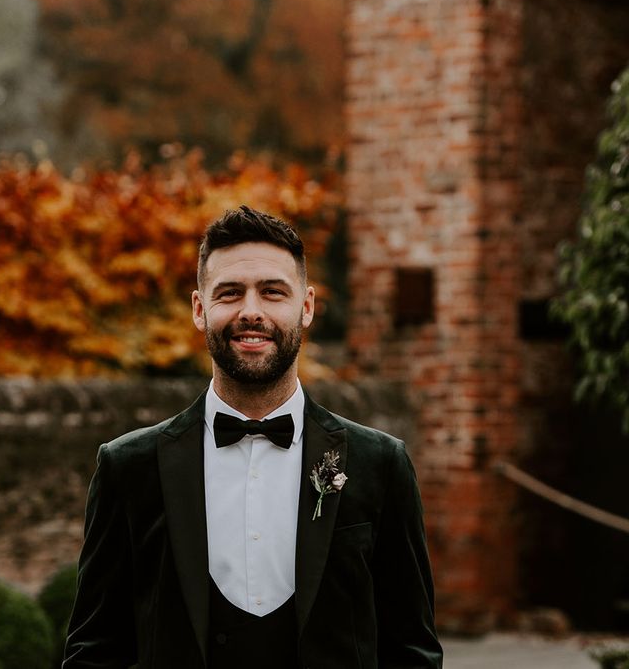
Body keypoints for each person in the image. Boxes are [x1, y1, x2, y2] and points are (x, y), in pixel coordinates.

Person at [62, 206, 442, 669]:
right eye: (229, 293)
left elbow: (413, 651)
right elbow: (94, 652)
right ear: (200, 310)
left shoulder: (380, 463)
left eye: (272, 292)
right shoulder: (128, 467)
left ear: (306, 307)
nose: (251, 311)